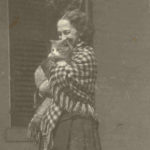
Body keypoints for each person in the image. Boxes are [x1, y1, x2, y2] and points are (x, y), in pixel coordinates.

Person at [28, 9, 101, 150]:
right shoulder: (65, 55)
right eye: (59, 34)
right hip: (61, 122)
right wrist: (51, 75)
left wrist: (52, 65)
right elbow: (42, 83)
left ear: (80, 31)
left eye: (67, 32)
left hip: (78, 123)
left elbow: (62, 80)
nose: (62, 38)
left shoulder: (86, 55)